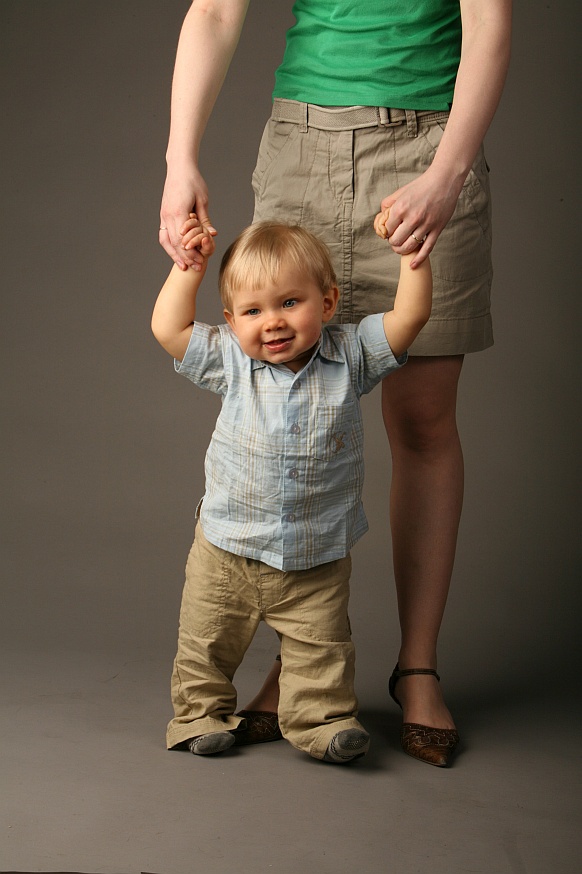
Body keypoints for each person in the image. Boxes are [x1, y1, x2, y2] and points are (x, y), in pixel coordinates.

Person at [158, 1, 512, 766]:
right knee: (284, 402)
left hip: (430, 144)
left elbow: (488, 23)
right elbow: (215, 9)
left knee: (423, 422)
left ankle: (417, 666)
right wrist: (179, 158)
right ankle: (298, 665)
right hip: (302, 148)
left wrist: (448, 173)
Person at [151, 218, 432, 762]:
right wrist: (190, 267)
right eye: (253, 311)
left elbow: (410, 317)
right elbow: (168, 328)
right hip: (227, 549)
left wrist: (412, 256)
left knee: (321, 649)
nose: (273, 322)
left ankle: (323, 723)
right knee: (205, 641)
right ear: (231, 322)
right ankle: (199, 716)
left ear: (327, 304)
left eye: (289, 303)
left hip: (316, 554)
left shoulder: (351, 356)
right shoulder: (232, 360)